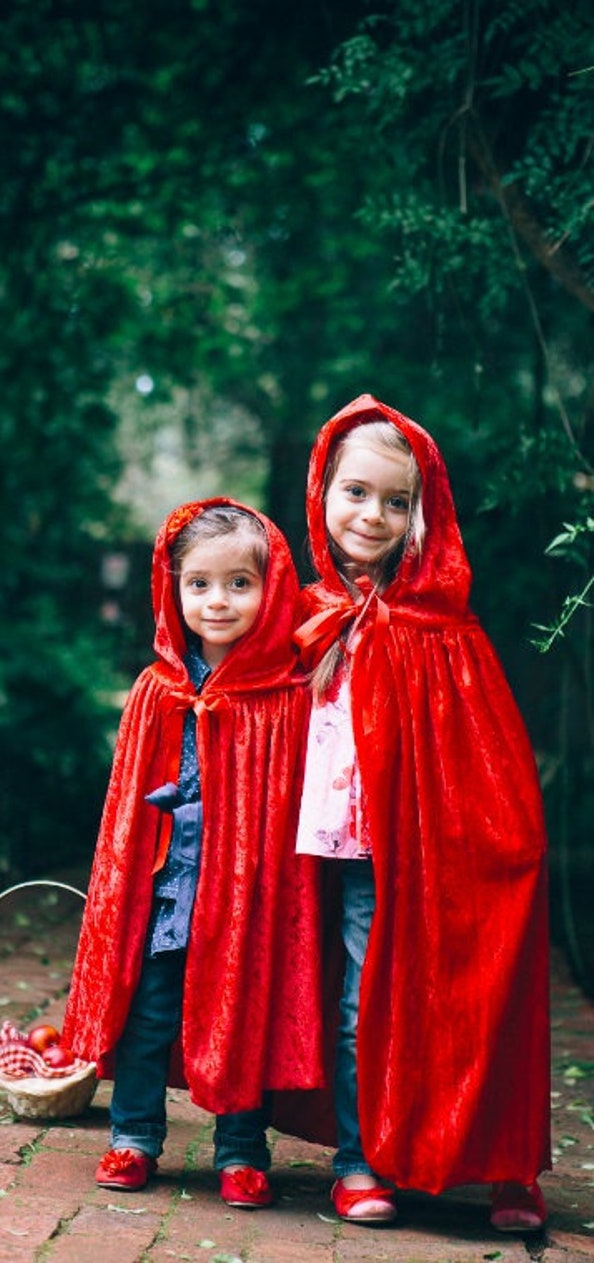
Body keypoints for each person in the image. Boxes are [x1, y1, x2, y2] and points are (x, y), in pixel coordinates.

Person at [274, 394, 550, 1232]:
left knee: (467, 989)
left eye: (397, 501)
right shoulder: (308, 614)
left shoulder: (442, 621)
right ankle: (358, 1157)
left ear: (422, 514)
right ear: (322, 490)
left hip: (436, 847)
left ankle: (496, 1159)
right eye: (357, 492)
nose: (375, 514)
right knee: (359, 1000)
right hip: (348, 847)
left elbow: (486, 748)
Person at [62, 498, 325, 1209]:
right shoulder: (159, 690)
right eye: (200, 583)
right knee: (149, 1015)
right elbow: (126, 808)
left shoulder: (282, 695)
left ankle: (241, 1148)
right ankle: (134, 1135)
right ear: (172, 589)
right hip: (165, 891)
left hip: (241, 897)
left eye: (239, 583)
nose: (218, 600)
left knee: (242, 1014)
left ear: (269, 590)